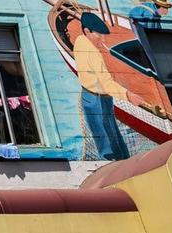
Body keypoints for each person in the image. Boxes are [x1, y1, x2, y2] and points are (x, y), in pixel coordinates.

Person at [60, 9, 145, 161]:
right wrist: (128, 95)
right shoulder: (93, 53)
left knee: (105, 134)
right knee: (108, 137)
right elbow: (106, 83)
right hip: (97, 98)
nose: (103, 40)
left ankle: (118, 160)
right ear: (87, 31)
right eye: (99, 35)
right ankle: (116, 163)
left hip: (89, 95)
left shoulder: (80, 40)